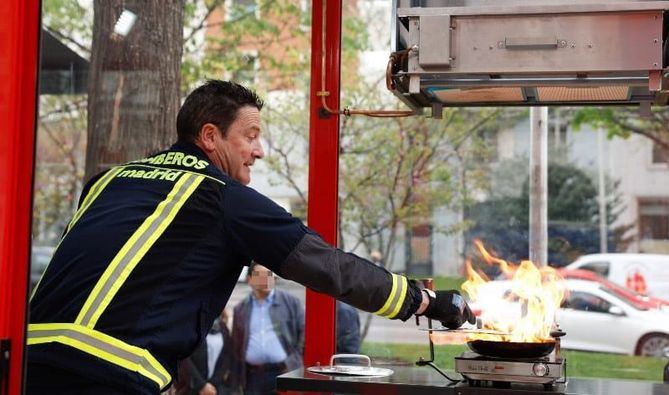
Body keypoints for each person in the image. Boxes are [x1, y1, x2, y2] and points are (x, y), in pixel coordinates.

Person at [26, 80, 475, 395]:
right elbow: (331, 268)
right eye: (251, 136)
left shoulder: (109, 181)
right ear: (209, 137)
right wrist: (428, 303)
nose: (260, 151)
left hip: (26, 367)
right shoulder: (225, 199)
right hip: (109, 379)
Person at [231, 263, 304, 394]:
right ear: (250, 280)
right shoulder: (240, 309)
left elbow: (304, 335)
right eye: (260, 276)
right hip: (252, 377)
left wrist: (293, 362)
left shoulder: (291, 303)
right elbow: (236, 346)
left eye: (269, 275)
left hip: (283, 372)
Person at [180, 309, 234, 395]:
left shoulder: (223, 328)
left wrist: (212, 386)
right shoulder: (189, 324)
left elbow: (226, 357)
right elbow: (183, 358)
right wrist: (202, 386)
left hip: (215, 390)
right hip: (190, 388)